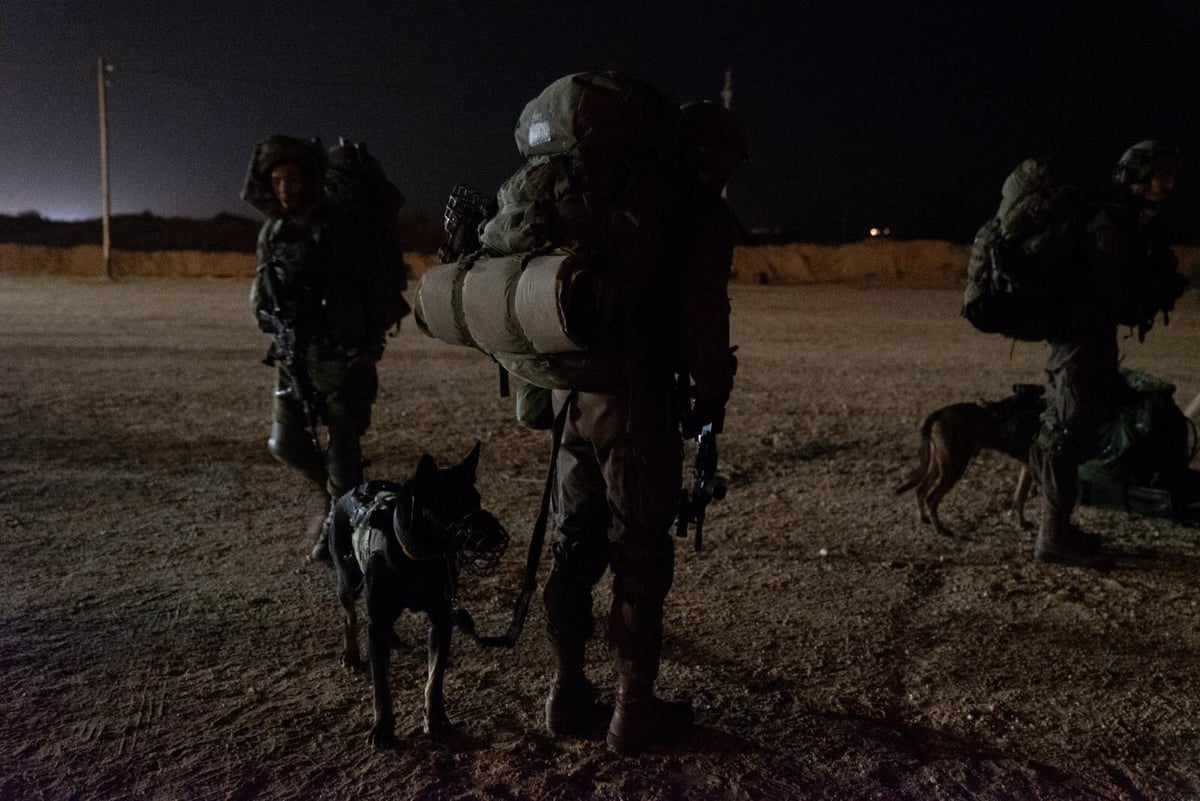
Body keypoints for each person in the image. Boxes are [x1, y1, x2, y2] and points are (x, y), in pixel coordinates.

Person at [541, 100, 744, 754]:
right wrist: (712, 388)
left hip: (569, 396)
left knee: (576, 538)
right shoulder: (694, 214)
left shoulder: (613, 201)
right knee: (639, 548)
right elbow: (702, 321)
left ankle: (567, 688)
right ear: (713, 156)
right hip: (632, 403)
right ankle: (633, 707)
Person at [1028, 140, 1183, 567]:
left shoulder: (1124, 219)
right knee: (1067, 430)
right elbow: (1114, 290)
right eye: (1161, 175)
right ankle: (1052, 537)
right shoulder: (1110, 221)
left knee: (1073, 426)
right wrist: (1154, 289)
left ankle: (1057, 528)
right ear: (1137, 178)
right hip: (1080, 339)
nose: (1170, 184)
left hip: (1086, 337)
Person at [242, 135, 395, 562]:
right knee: (285, 443)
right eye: (275, 180)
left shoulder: (340, 230)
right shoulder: (272, 233)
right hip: (293, 356)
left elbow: (372, 289)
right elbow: (263, 292)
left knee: (344, 449)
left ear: (308, 180)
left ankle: (341, 534)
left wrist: (366, 347)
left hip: (343, 357)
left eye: (290, 178)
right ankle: (333, 498)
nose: (283, 188)